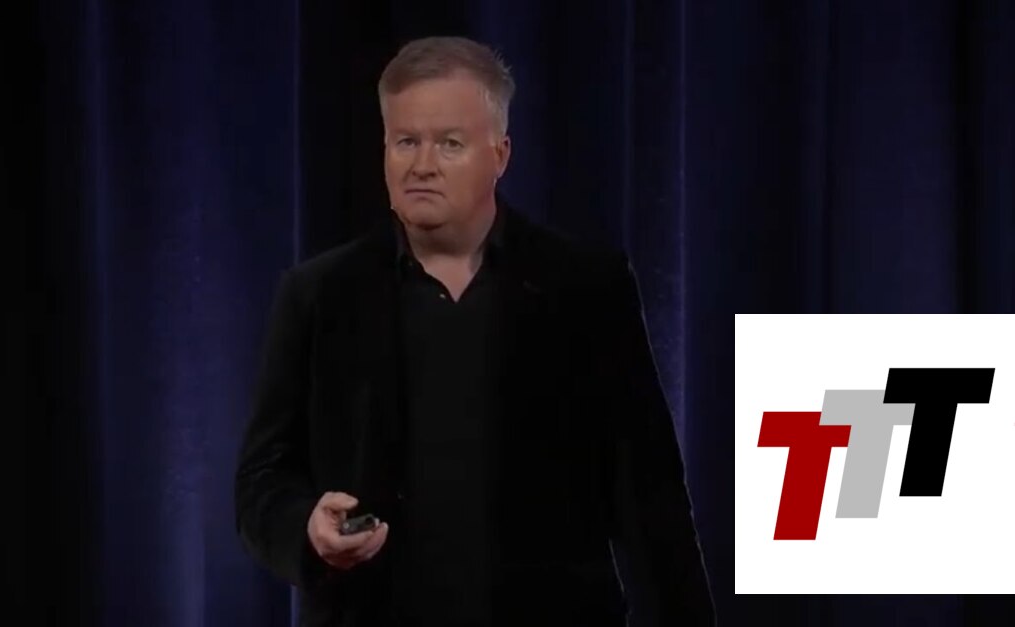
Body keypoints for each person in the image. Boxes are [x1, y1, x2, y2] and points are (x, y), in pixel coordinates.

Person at [234, 35, 715, 627]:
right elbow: (262, 480)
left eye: (450, 143)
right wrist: (306, 528)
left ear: (500, 154)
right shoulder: (317, 294)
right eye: (406, 141)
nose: (422, 165)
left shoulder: (586, 289)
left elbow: (650, 497)